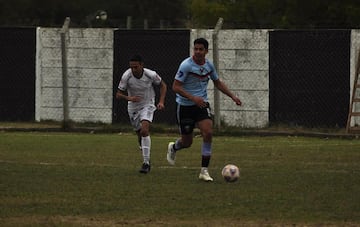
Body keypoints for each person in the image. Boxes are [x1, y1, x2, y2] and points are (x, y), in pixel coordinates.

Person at [167, 38, 242, 182]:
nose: (198, 52)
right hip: (185, 107)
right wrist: (193, 98)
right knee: (187, 142)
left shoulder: (209, 66)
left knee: (208, 133)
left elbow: (217, 82)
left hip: (201, 106)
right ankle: (174, 147)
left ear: (206, 51)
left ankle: (204, 171)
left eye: (201, 49)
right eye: (195, 49)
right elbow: (175, 87)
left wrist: (233, 96)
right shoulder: (186, 65)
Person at [116, 54, 167, 174]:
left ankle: (146, 163)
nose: (133, 70)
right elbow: (118, 94)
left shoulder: (151, 74)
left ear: (141, 65)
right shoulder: (126, 76)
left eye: (136, 67)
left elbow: (163, 85)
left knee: (144, 130)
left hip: (147, 104)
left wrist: (161, 101)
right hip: (133, 107)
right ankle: (145, 151)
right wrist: (129, 97)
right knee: (139, 134)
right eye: (131, 67)